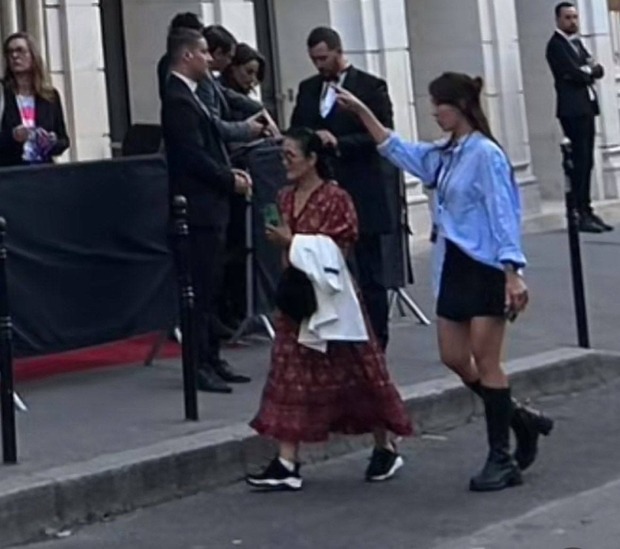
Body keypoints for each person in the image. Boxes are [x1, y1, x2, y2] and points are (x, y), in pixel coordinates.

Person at [335, 72, 554, 492]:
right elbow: (398, 149)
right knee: (454, 356)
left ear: (461, 106)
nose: (435, 112)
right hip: (453, 263)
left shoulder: (485, 154)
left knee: (487, 360)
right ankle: (519, 417)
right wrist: (362, 112)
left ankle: (501, 457)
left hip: (486, 265)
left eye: (441, 104)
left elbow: (503, 211)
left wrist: (512, 271)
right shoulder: (446, 153)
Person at [245, 128, 412, 491]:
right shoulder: (284, 197)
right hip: (297, 297)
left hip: (333, 298)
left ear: (312, 159)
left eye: (290, 155)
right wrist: (285, 244)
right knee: (288, 371)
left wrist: (293, 241)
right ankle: (286, 461)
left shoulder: (337, 199)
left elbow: (339, 249)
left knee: (360, 371)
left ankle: (385, 445)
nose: (284, 162)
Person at [290, 27, 397, 352]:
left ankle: (376, 340)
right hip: (322, 190)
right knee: (323, 268)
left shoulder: (370, 87)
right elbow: (297, 129)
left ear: (339, 52)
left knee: (369, 272)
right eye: (314, 59)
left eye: (324, 58)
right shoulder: (308, 88)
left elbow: (381, 135)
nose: (319, 65)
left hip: (361, 188)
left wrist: (339, 142)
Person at [161, 28, 252, 393]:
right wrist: (228, 179)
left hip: (211, 207)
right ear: (187, 56)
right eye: (202, 52)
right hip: (196, 209)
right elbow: (191, 156)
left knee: (212, 286)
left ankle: (212, 357)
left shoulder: (195, 94)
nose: (209, 59)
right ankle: (197, 364)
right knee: (198, 290)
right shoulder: (177, 99)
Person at [546, 2, 612, 233]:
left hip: (587, 107)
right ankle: (578, 212)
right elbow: (573, 74)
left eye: (575, 17)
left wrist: (588, 70)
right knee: (579, 162)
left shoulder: (577, 44)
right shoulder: (556, 45)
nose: (573, 21)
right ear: (558, 20)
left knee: (587, 161)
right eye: (568, 17)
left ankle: (587, 208)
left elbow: (598, 69)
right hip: (572, 110)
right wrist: (586, 71)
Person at [0, 32, 69, 166]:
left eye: (20, 50)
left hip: (42, 171)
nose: (14, 56)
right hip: (10, 171)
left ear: (33, 55)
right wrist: (13, 136)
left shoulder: (49, 96)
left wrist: (51, 142)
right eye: (10, 52)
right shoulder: (3, 93)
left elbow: (64, 140)